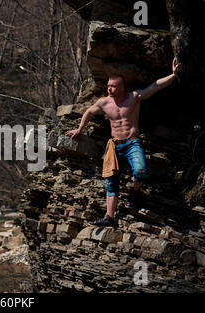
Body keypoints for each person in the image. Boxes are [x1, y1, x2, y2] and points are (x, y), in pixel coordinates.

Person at [65, 58, 180, 227]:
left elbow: (155, 86)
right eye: (108, 86)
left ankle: (134, 194)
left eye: (113, 86)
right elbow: (89, 112)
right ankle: (109, 217)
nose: (109, 89)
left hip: (132, 143)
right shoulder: (104, 103)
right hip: (115, 145)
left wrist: (173, 75)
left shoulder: (134, 97)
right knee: (110, 182)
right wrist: (79, 129)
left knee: (140, 171)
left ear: (122, 87)